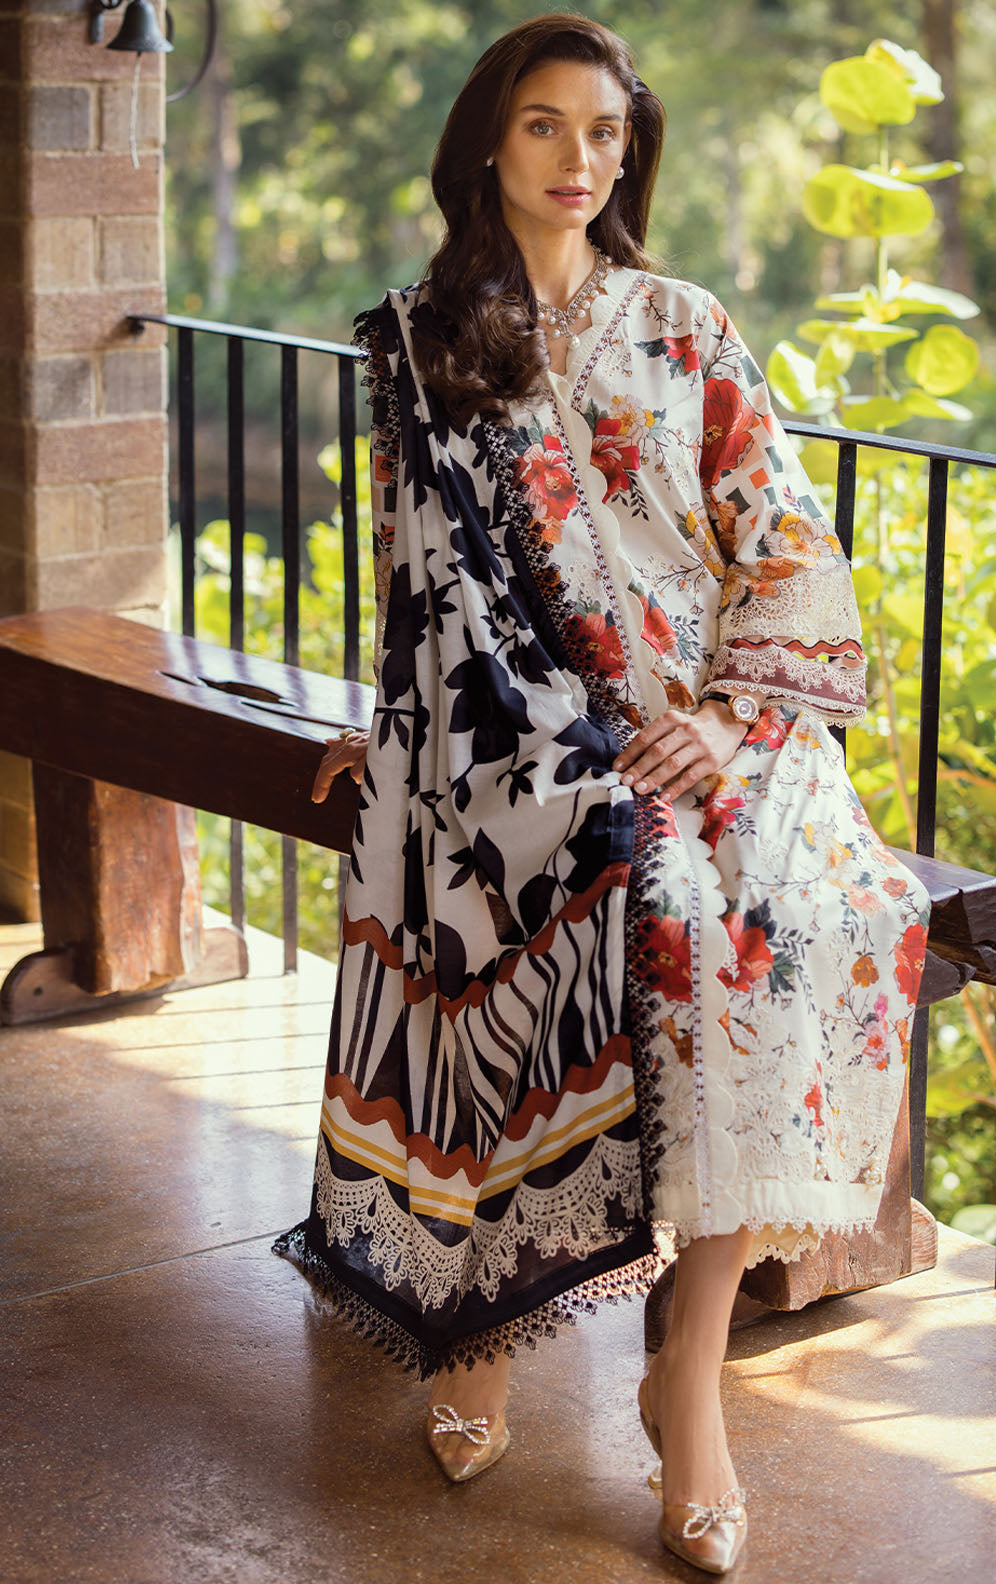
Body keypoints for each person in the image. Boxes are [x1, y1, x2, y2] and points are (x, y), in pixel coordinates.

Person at [279, 14, 930, 1576]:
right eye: (544, 127)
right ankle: (481, 1310)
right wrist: (395, 725)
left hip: (706, 727)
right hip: (509, 731)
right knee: (550, 878)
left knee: (798, 915)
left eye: (606, 133)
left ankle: (682, 1372)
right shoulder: (421, 341)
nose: (580, 161)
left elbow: (785, 541)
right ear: (485, 145)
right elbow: (421, 578)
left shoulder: (683, 327)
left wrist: (726, 716)